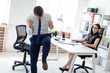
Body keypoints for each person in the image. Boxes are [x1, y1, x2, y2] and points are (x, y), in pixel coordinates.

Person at [26, 6, 54, 73]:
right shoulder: (29, 18)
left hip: (45, 35)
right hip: (35, 36)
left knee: (47, 41)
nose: (40, 17)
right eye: (38, 17)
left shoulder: (48, 16)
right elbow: (29, 33)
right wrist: (29, 26)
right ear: (34, 14)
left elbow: (52, 29)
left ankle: (44, 60)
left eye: (41, 15)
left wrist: (52, 26)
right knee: (33, 58)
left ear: (43, 12)